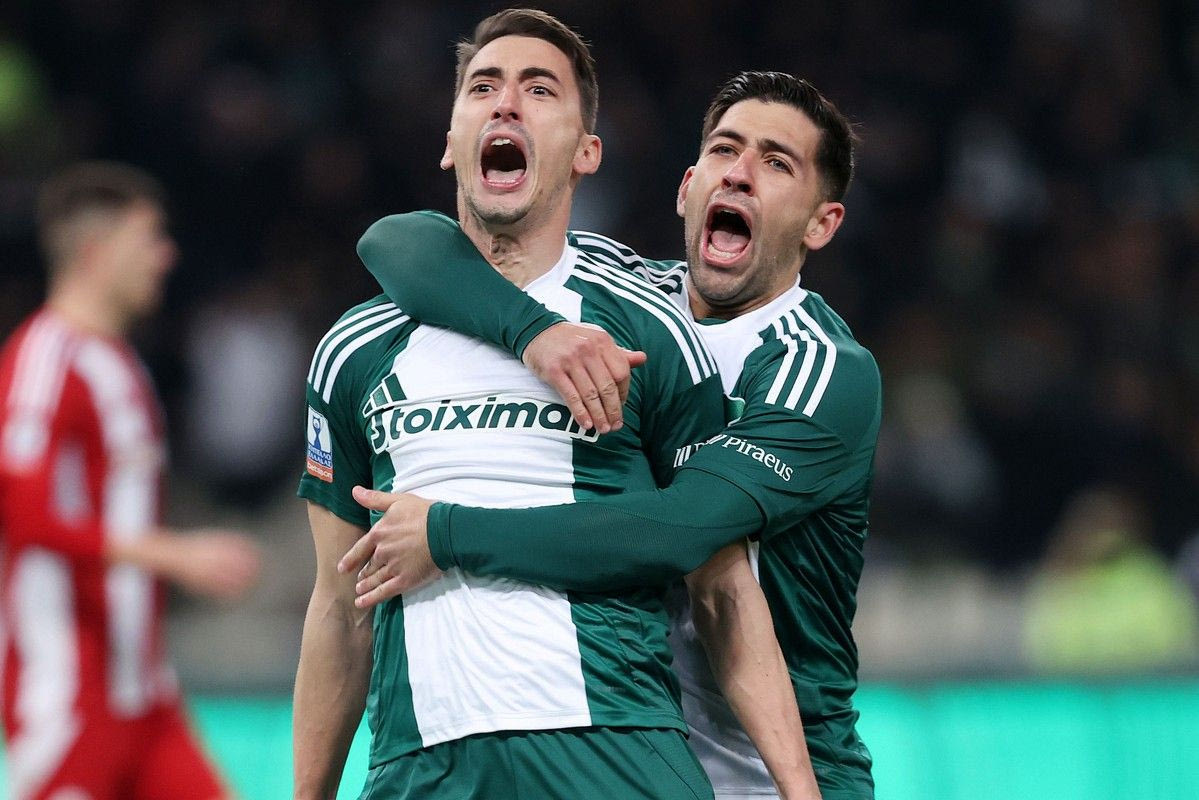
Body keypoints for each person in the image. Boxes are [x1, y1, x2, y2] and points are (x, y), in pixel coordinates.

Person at [293, 11, 815, 800]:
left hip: (614, 755)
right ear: (450, 141)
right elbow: (339, 604)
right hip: (422, 765)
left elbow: (723, 588)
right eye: (482, 88)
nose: (506, 103)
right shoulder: (355, 347)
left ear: (585, 152)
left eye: (539, 90)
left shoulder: (650, 328)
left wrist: (799, 789)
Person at [0, 161, 262, 800]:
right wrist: (176, 554)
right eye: (148, 238)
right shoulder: (43, 360)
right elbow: (24, 517)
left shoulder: (119, 362)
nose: (165, 256)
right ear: (95, 251)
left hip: (142, 691)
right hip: (66, 689)